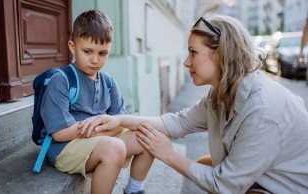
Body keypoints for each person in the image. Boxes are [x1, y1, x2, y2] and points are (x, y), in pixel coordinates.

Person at [78, 14, 308, 193]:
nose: (187, 62)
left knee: (205, 171)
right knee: (203, 165)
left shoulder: (262, 111)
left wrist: (168, 155)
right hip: (259, 179)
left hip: (280, 188)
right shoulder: (222, 91)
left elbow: (224, 186)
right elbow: (177, 123)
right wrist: (119, 119)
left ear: (221, 54)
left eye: (193, 52)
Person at [40, 9, 153, 194]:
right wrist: (103, 126)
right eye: (87, 51)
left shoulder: (108, 82)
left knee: (148, 136)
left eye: (102, 53)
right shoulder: (61, 80)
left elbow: (122, 120)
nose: (95, 59)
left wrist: (106, 126)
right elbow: (60, 133)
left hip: (100, 141)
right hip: (65, 147)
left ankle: (133, 190)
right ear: (72, 46)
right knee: (114, 147)